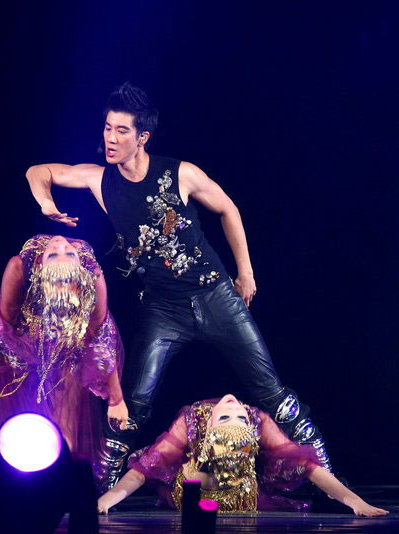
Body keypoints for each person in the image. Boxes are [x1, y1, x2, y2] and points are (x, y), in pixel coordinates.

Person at [25, 82, 330, 490]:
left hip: (215, 296)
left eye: (121, 131)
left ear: (142, 137)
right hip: (162, 308)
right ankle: (100, 490)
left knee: (271, 392)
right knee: (133, 402)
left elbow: (228, 208)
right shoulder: (100, 181)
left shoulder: (179, 173)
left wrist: (246, 273)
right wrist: (46, 202)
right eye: (107, 128)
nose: (111, 138)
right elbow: (38, 172)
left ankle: (329, 478)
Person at [0, 234, 127, 469]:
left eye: (69, 253)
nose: (61, 243)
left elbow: (101, 339)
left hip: (69, 353)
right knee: (18, 433)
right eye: (54, 254)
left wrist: (116, 399)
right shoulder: (20, 267)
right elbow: (2, 329)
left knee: (62, 437)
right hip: (22, 351)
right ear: (40, 267)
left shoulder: (93, 275)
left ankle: (58, 479)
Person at [96, 394, 388, 516]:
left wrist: (356, 502)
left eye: (232, 416)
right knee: (194, 473)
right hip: (198, 487)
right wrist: (107, 500)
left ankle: (219, 480)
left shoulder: (250, 419)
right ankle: (209, 478)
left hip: (240, 492)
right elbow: (144, 470)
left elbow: (307, 466)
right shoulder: (199, 418)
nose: (233, 405)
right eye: (231, 417)